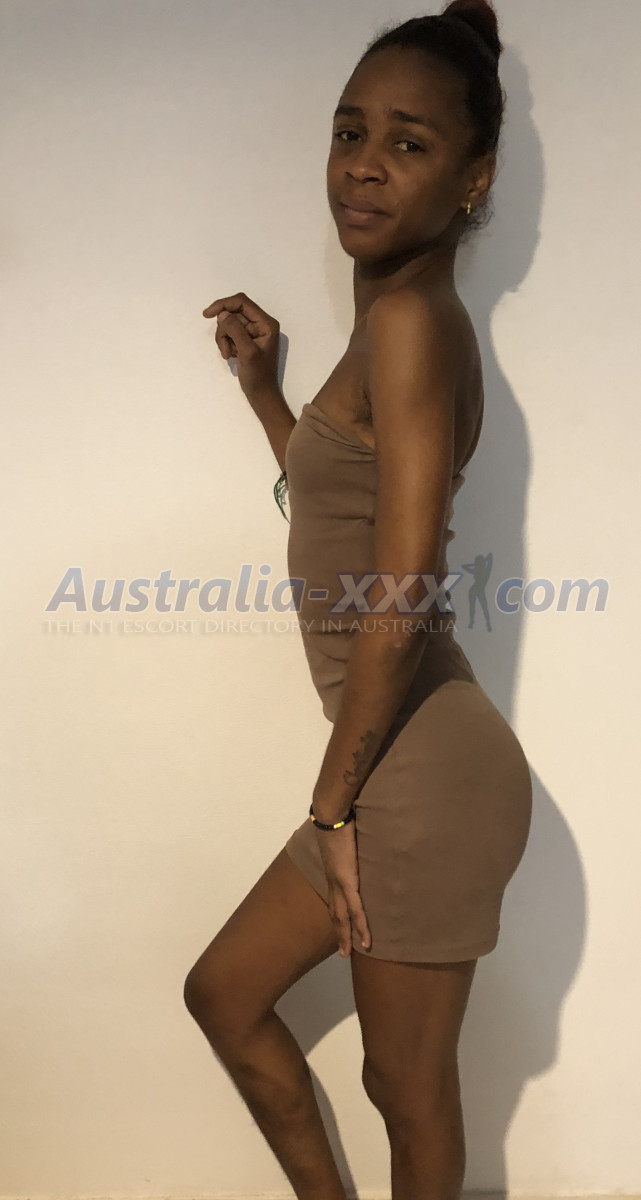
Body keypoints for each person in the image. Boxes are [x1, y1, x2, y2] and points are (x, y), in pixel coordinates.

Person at [185, 3, 533, 1198]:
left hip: (410, 777)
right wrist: (267, 400)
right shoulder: (396, 325)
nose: (364, 165)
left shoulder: (408, 322)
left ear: (473, 180)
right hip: (397, 759)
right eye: (349, 133)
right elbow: (345, 523)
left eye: (408, 142)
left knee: (407, 1092)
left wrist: (332, 810)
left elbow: (403, 582)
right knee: (225, 996)